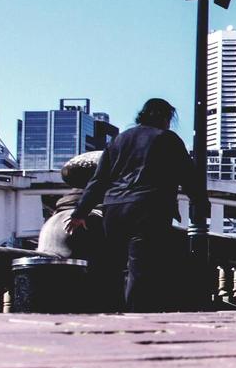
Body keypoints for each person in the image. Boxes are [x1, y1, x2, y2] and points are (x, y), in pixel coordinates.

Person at [69, 98, 204, 313]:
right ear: (165, 117)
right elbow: (188, 177)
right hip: (148, 209)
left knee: (112, 267)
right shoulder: (167, 139)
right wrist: (200, 203)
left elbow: (99, 179)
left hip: (114, 208)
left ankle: (109, 313)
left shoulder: (119, 140)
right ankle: (135, 316)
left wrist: (80, 212)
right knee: (141, 268)